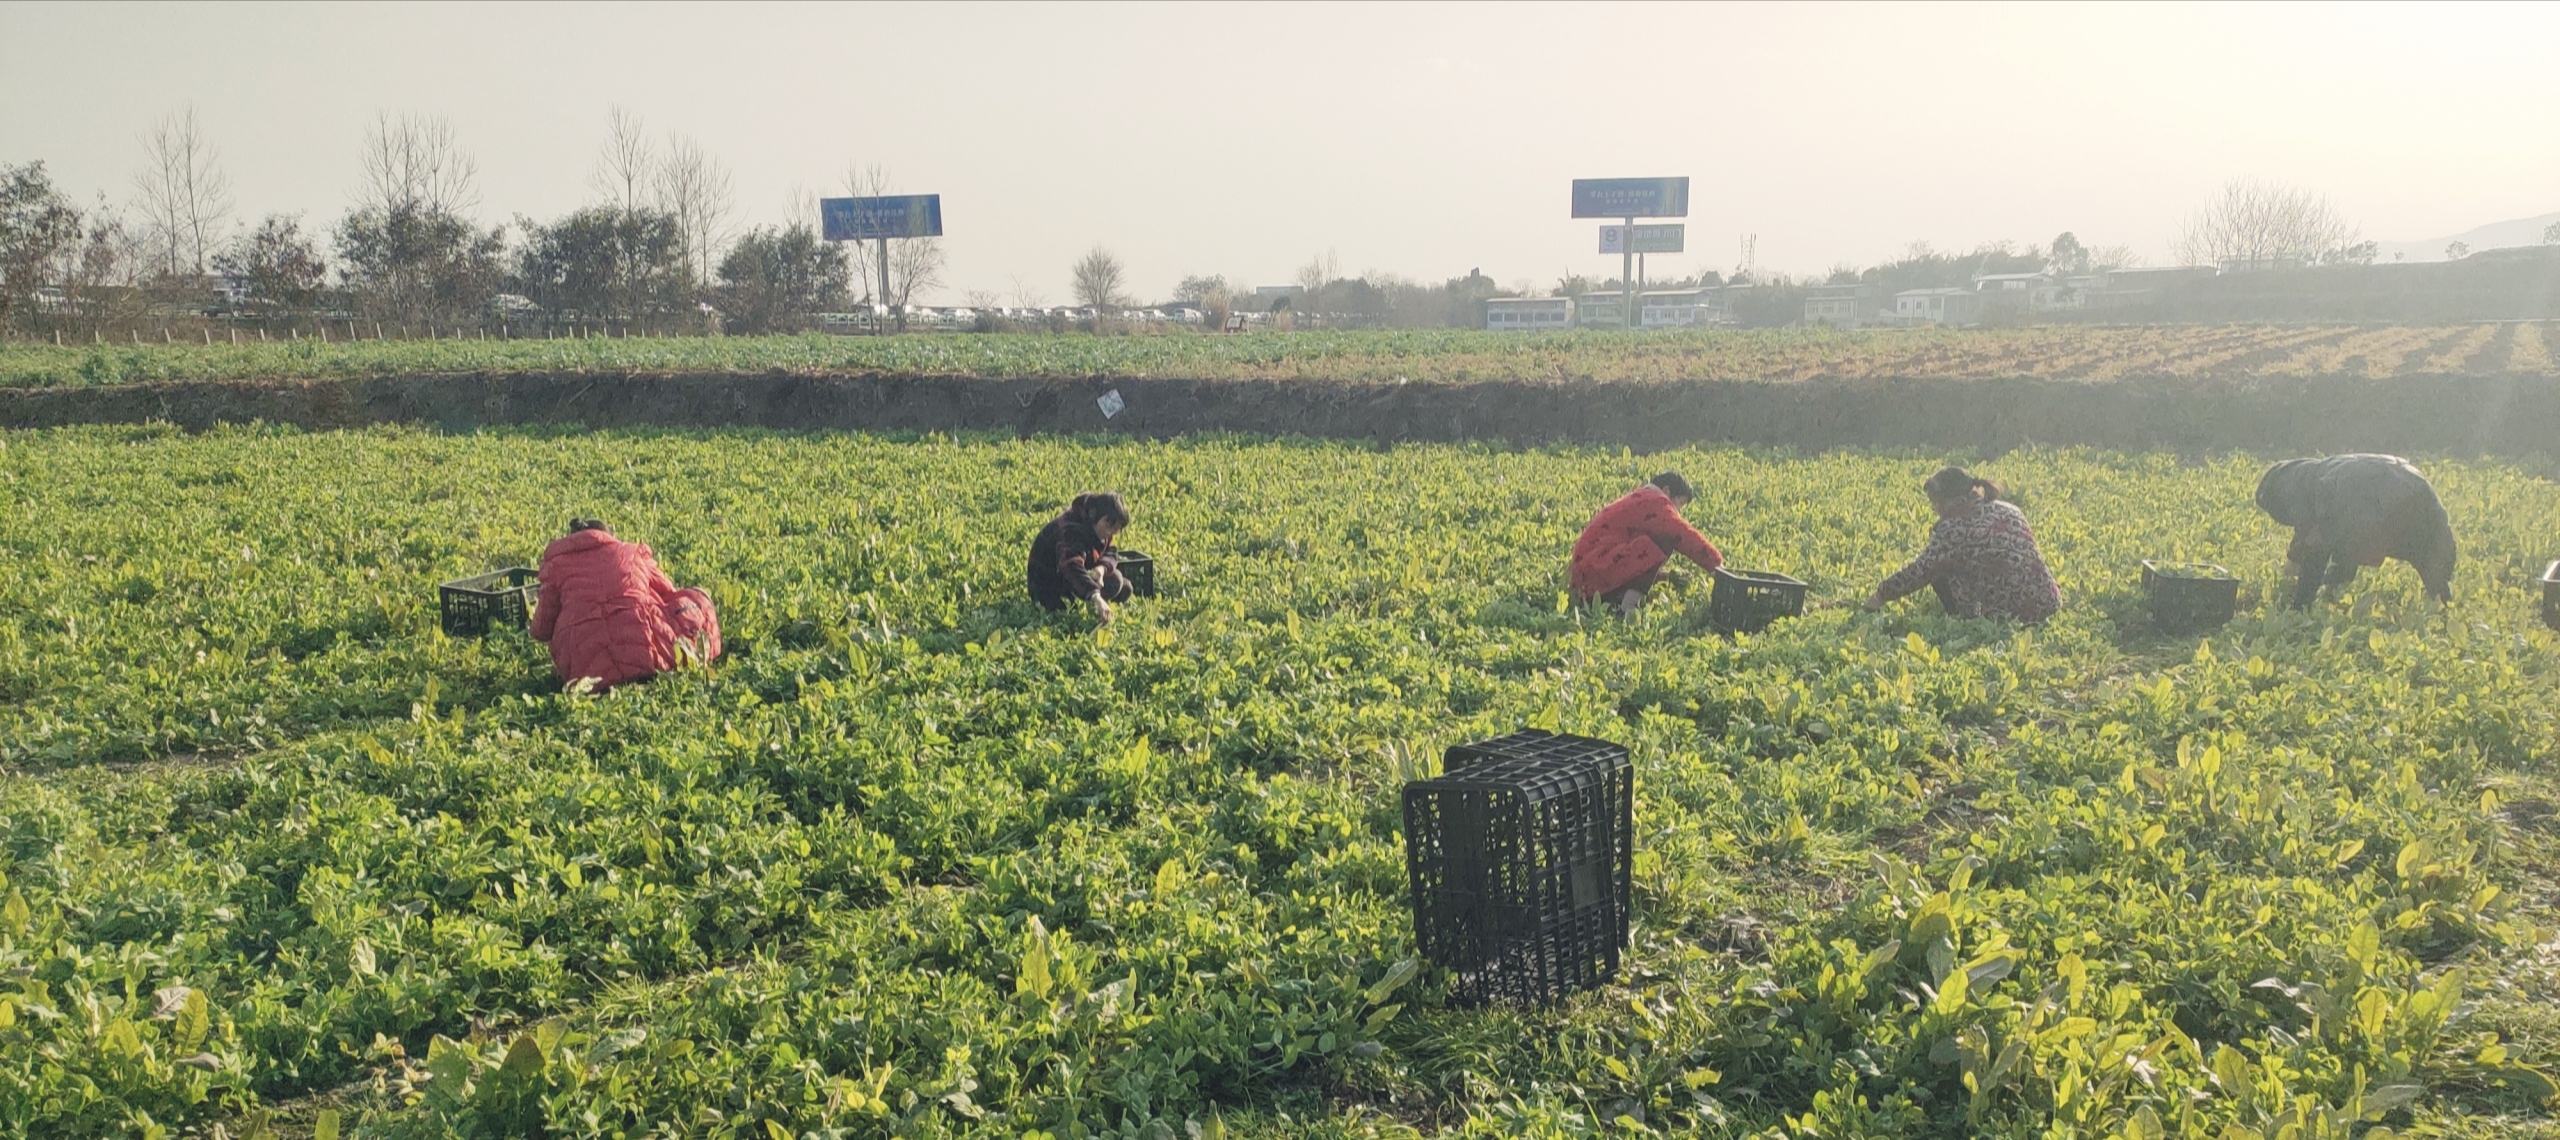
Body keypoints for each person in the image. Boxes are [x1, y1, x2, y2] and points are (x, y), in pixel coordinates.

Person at [530, 518, 721, 691]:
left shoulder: (556, 566)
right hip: (646, 659)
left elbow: (541, 631)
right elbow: (669, 592)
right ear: (608, 535)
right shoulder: (632, 552)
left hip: (584, 677)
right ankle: (698, 654)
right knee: (694, 597)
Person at [2255, 453, 2456, 607]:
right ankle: (2444, 606)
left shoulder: (2322, 488)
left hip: (2387, 506)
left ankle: (2443, 604)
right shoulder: (2326, 475)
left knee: (2325, 543)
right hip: (2416, 490)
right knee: (2433, 572)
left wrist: (2299, 605)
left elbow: (2317, 548)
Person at [1864, 466, 2060, 624]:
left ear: (1947, 501)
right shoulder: (2011, 510)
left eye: (1935, 503)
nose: (1934, 509)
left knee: (1939, 569)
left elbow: (1920, 571)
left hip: (2011, 616)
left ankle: (1963, 617)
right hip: (2048, 602)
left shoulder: (1953, 529)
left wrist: (1880, 595)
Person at [1570, 472, 1725, 617]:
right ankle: (1627, 610)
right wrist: (1716, 564)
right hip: (1595, 576)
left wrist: (1663, 576)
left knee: (1651, 544)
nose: (1678, 511)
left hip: (1587, 578)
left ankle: (1617, 598)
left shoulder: (1641, 498)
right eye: (1680, 503)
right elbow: (1681, 534)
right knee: (1664, 540)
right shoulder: (1656, 502)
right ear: (1667, 490)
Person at [1028, 492, 1133, 623]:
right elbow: (1071, 566)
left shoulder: (1101, 528)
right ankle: (1088, 599)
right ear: (1099, 517)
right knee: (1062, 616)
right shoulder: (1070, 530)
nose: (1110, 534)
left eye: (1115, 530)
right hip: (1048, 582)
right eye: (1109, 527)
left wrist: (1101, 569)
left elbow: (1111, 552)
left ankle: (1090, 598)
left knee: (1119, 583)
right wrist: (1096, 596)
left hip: (1074, 574)